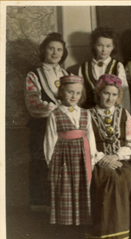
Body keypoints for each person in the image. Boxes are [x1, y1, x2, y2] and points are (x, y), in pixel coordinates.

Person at [85, 74, 131, 239]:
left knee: (129, 176)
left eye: (114, 95)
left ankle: (125, 237)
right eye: (106, 93)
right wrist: (102, 159)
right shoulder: (87, 115)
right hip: (98, 160)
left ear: (119, 97)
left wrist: (117, 155)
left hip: (120, 158)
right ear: (98, 94)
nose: (110, 98)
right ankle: (105, 238)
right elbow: (88, 142)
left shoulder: (124, 114)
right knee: (109, 179)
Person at [43, 75, 100, 225]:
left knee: (82, 187)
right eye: (70, 92)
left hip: (82, 155)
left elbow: (90, 136)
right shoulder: (54, 114)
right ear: (61, 92)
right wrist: (51, 162)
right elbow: (50, 140)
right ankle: (66, 223)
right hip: (63, 156)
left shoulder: (86, 113)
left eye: (78, 93)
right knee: (66, 188)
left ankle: (82, 222)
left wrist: (92, 159)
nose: (74, 96)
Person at [24, 32, 70, 207]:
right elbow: (33, 103)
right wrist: (59, 110)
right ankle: (41, 213)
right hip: (41, 129)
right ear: (44, 50)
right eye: (51, 48)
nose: (55, 53)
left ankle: (62, 207)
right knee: (42, 166)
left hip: (63, 130)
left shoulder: (66, 74)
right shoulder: (33, 75)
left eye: (59, 49)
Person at [79, 27, 131, 112]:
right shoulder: (84, 67)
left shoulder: (117, 66)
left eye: (108, 46)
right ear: (94, 44)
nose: (104, 50)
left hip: (111, 112)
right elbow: (80, 94)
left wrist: (124, 114)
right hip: (89, 112)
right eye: (100, 45)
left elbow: (124, 93)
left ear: (113, 46)